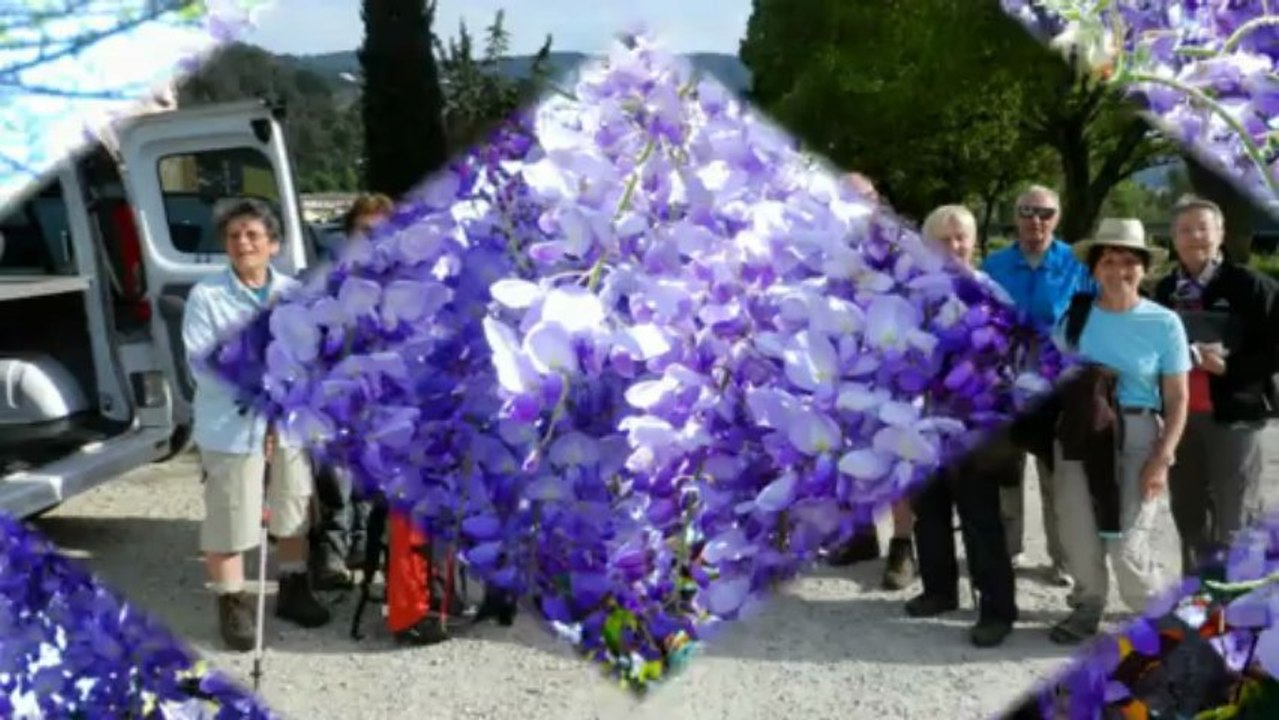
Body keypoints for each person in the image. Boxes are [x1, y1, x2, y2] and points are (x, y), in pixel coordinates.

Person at [182, 198, 331, 651]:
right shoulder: (206, 296)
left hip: (288, 422)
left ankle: (293, 587)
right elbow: (202, 362)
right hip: (231, 424)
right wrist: (257, 391)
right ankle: (233, 603)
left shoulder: (293, 293)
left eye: (253, 235)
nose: (243, 243)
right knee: (232, 514)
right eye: (234, 236)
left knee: (292, 505)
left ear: (274, 245)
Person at [1046, 217, 1189, 645]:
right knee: (1078, 527)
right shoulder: (1075, 319)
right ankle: (1087, 605)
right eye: (1108, 259)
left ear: (1144, 268)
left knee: (1127, 540)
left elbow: (1178, 398)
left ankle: (1155, 612)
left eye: (1129, 260)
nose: (1118, 269)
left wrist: (1162, 458)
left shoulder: (1164, 323)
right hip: (1080, 433)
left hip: (1139, 432)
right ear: (1094, 267)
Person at [906, 205, 1020, 647]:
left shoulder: (990, 292)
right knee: (928, 512)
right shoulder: (911, 293)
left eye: (961, 238)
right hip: (920, 419)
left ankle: (996, 610)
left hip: (972, 422)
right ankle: (939, 590)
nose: (954, 246)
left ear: (974, 242)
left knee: (980, 517)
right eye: (944, 239)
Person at [1152, 195, 1279, 576]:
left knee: (1235, 518)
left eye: (1203, 228)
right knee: (1189, 515)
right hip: (1180, 420)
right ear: (1173, 238)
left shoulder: (1251, 286)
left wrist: (1228, 367)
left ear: (1220, 233)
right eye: (1185, 229)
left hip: (1233, 418)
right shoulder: (1163, 291)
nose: (1195, 237)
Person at [982, 184, 1093, 587]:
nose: (1036, 220)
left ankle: (1061, 558)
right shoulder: (994, 265)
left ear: (1057, 218)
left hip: (1057, 389)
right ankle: (1008, 550)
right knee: (1007, 474)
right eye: (1028, 211)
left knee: (1056, 476)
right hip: (1006, 386)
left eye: (1045, 213)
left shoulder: (1076, 266)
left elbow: (1089, 321)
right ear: (1016, 217)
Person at [826, 171, 918, 591]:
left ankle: (902, 545)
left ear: (877, 200)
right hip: (846, 362)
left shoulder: (898, 243)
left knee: (896, 452)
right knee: (852, 451)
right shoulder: (830, 244)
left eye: (862, 197)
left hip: (892, 365)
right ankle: (862, 536)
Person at [308, 193, 394, 590]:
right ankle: (331, 554)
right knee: (334, 476)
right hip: (333, 390)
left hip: (379, 392)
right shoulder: (328, 277)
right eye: (363, 230)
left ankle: (366, 547)